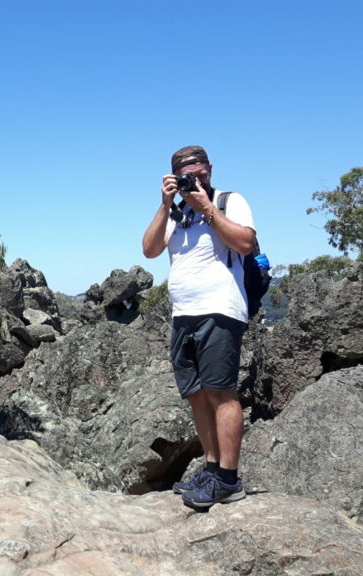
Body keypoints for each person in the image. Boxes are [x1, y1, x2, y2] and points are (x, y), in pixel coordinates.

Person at [141, 145, 255, 508]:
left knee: (222, 392)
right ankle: (210, 466)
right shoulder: (173, 213)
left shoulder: (228, 201)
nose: (196, 179)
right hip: (182, 314)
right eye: (187, 174)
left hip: (220, 309)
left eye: (200, 172)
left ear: (210, 169)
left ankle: (228, 479)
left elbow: (245, 242)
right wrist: (165, 204)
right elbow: (149, 249)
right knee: (197, 394)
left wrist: (206, 206)